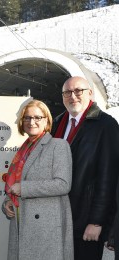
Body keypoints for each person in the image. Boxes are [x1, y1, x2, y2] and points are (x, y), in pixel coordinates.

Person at [52, 76, 119, 260]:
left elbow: (108, 177)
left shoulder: (106, 125)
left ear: (90, 93)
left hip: (86, 219)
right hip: (58, 216)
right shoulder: (57, 123)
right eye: (67, 92)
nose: (72, 96)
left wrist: (97, 221)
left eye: (78, 91)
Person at [2, 99, 73, 260]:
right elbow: (14, 185)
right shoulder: (23, 149)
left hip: (46, 229)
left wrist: (25, 188)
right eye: (27, 117)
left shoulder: (58, 145)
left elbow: (63, 184)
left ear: (46, 120)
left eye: (37, 117)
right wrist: (7, 202)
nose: (31, 122)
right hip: (21, 222)